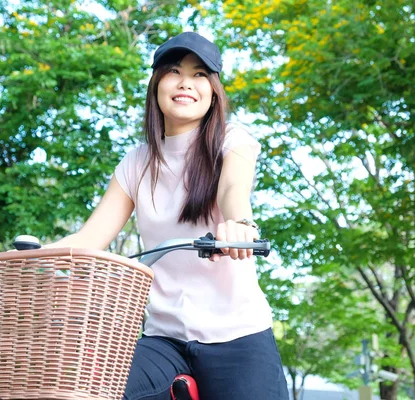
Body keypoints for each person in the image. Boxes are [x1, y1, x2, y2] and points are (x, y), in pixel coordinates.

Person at [45, 32, 289, 399]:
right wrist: (36, 257)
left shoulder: (233, 141)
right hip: (165, 339)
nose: (186, 83)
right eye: (174, 71)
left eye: (200, 74)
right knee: (96, 389)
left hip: (237, 336)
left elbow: (232, 191)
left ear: (214, 90)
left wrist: (240, 224)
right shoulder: (136, 162)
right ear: (157, 84)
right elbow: (89, 239)